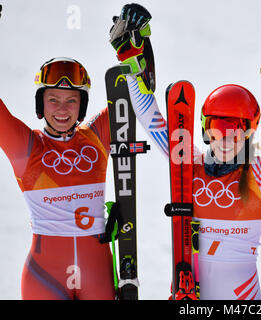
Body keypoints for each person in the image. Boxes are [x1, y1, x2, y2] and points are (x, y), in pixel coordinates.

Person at [109, 8, 261, 298]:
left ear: (250, 131)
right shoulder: (188, 163)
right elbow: (151, 118)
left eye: (235, 127)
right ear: (204, 129)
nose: (224, 137)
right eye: (216, 125)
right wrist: (131, 57)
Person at [0, 3, 152, 300]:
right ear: (40, 103)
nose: (61, 109)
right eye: (53, 99)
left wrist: (136, 44)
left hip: (96, 271)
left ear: (81, 106)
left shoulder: (95, 137)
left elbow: (138, 92)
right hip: (44, 276)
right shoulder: (26, 146)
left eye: (71, 101)